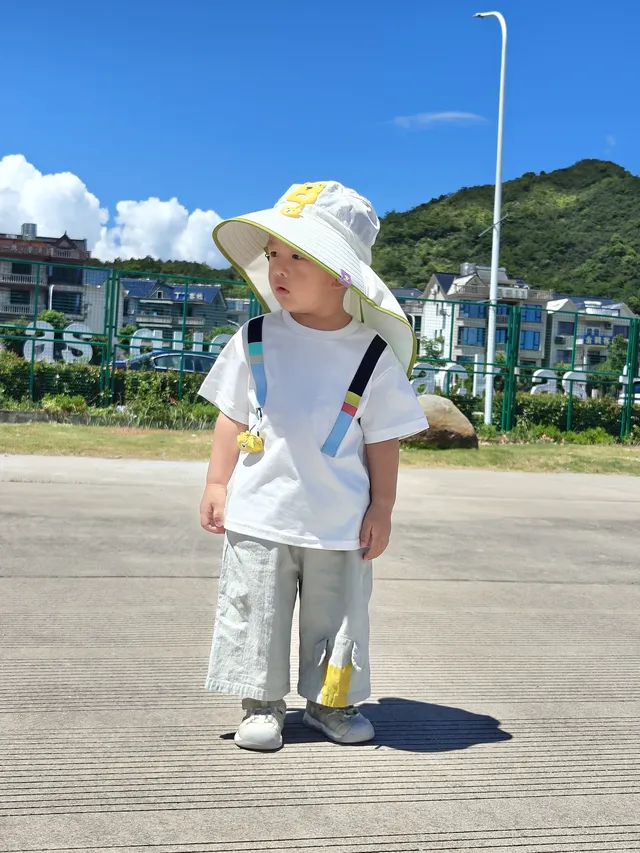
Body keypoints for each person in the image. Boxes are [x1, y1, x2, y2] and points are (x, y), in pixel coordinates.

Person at [198, 181, 427, 751]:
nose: (279, 267)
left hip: (339, 521)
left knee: (339, 616)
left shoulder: (371, 353)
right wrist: (217, 481)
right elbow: (231, 414)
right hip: (259, 512)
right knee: (257, 613)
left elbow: (383, 440)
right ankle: (261, 704)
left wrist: (382, 507)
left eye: (298, 256)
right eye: (274, 253)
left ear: (340, 275)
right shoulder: (254, 336)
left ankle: (331, 704)